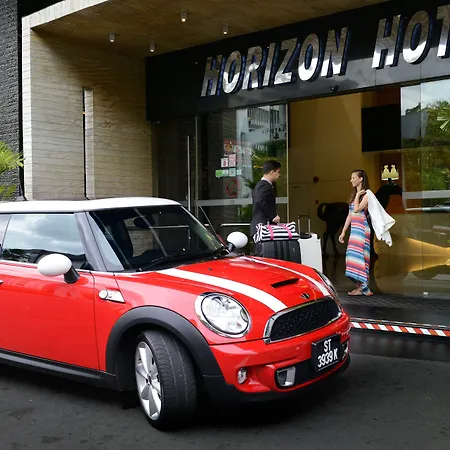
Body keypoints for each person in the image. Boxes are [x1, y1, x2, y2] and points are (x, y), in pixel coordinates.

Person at [339, 169, 373, 296]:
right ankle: (359, 287)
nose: (351, 180)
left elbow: (357, 209)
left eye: (353, 178)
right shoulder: (355, 195)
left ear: (361, 179)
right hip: (355, 230)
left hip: (362, 230)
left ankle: (362, 288)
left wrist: (358, 196)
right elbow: (350, 214)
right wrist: (343, 232)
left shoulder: (366, 195)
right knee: (353, 257)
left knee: (361, 257)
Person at [250, 160, 281, 237]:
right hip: (263, 227)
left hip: (260, 226)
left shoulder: (260, 185)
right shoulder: (265, 185)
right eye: (278, 172)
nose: (279, 175)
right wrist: (273, 215)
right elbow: (260, 201)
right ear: (272, 172)